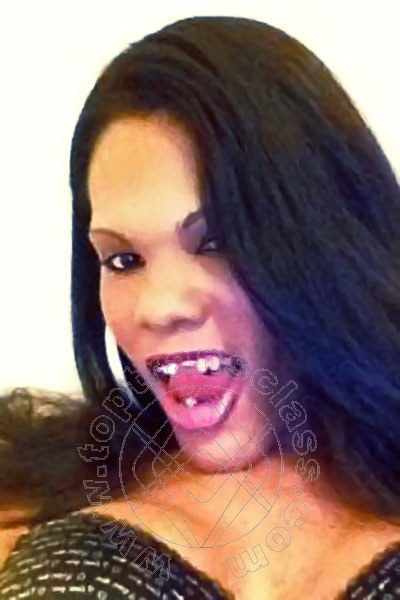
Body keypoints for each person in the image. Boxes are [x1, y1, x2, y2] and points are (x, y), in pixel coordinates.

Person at [1, 14, 400, 599]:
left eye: (217, 243)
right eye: (123, 260)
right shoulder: (29, 490)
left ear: (326, 241)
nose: (160, 308)